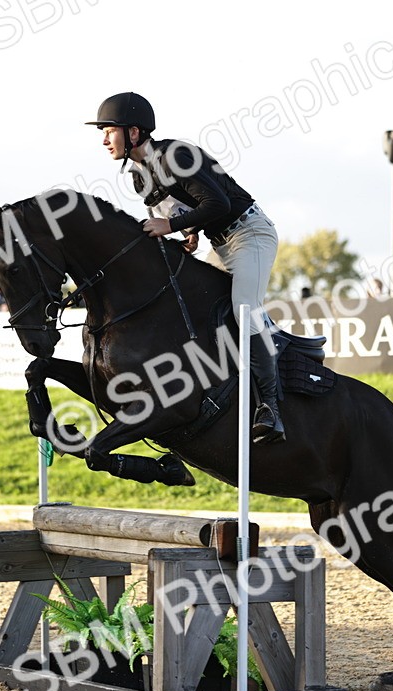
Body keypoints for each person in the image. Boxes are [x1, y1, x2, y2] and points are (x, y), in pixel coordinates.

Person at [87, 92, 285, 444]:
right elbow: (176, 212)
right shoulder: (138, 175)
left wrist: (175, 227)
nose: (103, 139)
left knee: (244, 309)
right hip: (220, 242)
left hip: (250, 233)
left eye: (109, 130)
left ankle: (270, 406)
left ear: (134, 132)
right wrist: (188, 230)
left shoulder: (175, 154)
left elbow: (218, 202)